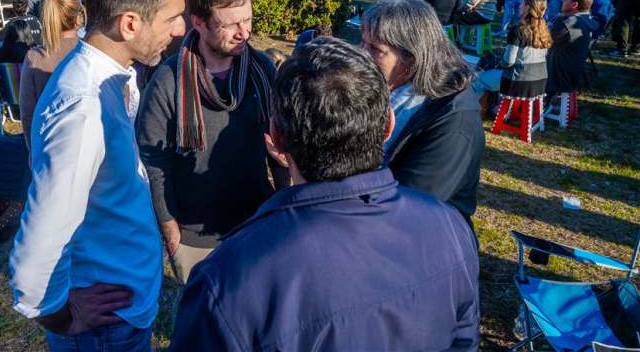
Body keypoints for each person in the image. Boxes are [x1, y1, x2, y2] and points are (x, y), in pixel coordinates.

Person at [170, 37, 480, 351]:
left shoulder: (226, 280)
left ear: (276, 138)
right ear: (388, 125)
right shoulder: (449, 227)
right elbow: (463, 340)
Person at [9, 0, 187, 350]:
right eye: (172, 17)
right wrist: (61, 315)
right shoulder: (83, 108)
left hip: (121, 311)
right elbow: (36, 254)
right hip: (103, 330)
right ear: (129, 24)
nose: (179, 29)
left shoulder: (113, 78)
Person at [137, 0, 277, 286]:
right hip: (195, 236)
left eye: (248, 20)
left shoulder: (262, 71)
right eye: (230, 25)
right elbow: (154, 161)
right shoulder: (168, 81)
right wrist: (170, 227)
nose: (244, 33)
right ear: (198, 22)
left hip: (255, 220)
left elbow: (276, 145)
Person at [362, 0, 482, 226]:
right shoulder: (388, 88)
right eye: (363, 43)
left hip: (423, 238)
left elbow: (411, 206)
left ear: (412, 58)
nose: (362, 54)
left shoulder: (453, 121)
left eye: (376, 49)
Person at [18, 0, 83, 152]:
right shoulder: (92, 52)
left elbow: (27, 114)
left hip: (50, 147)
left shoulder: (36, 57)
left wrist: (33, 151)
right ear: (79, 18)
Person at [473, 0, 552, 99]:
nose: (519, 6)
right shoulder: (545, 29)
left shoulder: (518, 30)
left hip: (519, 82)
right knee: (495, 74)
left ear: (528, 7)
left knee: (477, 79)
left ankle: (478, 111)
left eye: (522, 4)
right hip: (540, 82)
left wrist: (499, 64)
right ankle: (495, 106)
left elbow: (508, 61)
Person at [546, 0, 599, 96]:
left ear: (574, 5)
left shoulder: (568, 23)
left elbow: (540, 42)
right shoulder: (586, 19)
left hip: (555, 80)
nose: (562, 0)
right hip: (573, 75)